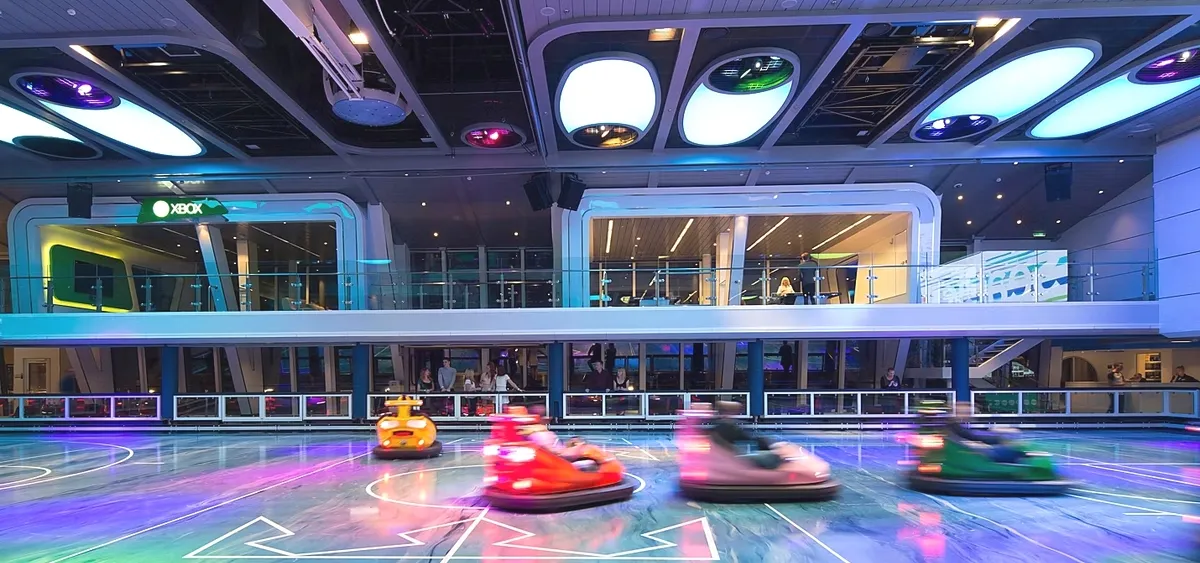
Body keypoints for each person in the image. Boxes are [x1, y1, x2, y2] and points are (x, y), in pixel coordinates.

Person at [709, 401, 781, 469]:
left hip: (724, 457)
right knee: (769, 457)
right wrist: (769, 446)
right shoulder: (727, 425)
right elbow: (747, 438)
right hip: (729, 459)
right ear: (730, 412)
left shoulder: (718, 424)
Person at [946, 401, 1022, 463]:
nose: (969, 415)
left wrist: (995, 432)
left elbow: (977, 433)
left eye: (969, 412)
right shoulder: (956, 426)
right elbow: (974, 435)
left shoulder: (960, 425)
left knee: (1007, 448)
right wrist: (1000, 439)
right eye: (965, 412)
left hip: (970, 451)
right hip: (969, 454)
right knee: (1009, 451)